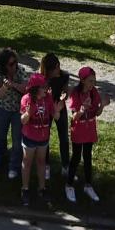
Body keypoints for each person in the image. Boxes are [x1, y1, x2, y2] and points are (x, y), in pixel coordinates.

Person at [18, 71, 55, 208]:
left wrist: (57, 109)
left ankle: (42, 188)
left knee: (41, 161)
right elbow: (23, 120)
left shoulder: (48, 98)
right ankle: (25, 189)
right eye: (43, 87)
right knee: (27, 162)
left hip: (43, 137)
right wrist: (28, 113)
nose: (46, 89)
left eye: (46, 86)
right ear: (35, 89)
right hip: (30, 137)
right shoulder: (26, 99)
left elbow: (54, 114)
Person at [67, 65, 102, 203]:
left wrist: (102, 105)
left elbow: (97, 113)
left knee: (88, 157)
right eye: (90, 81)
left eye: (94, 80)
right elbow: (74, 117)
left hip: (90, 129)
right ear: (82, 80)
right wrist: (82, 109)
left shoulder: (94, 92)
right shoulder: (75, 94)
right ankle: (69, 185)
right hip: (78, 129)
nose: (93, 84)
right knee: (76, 157)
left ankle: (88, 185)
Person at [0, 48, 26, 180]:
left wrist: (13, 84)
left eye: (15, 62)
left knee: (17, 141)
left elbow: (26, 89)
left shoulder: (21, 70)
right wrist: (5, 87)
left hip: (18, 111)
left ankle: (14, 167)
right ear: (4, 65)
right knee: (0, 136)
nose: (14, 66)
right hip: (3, 109)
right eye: (11, 64)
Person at [39, 53, 72, 181]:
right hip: (47, 108)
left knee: (63, 137)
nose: (52, 73)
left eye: (53, 70)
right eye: (50, 71)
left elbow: (65, 91)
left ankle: (65, 166)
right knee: (45, 136)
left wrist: (65, 95)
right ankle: (46, 165)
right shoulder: (43, 78)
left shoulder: (64, 76)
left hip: (59, 106)